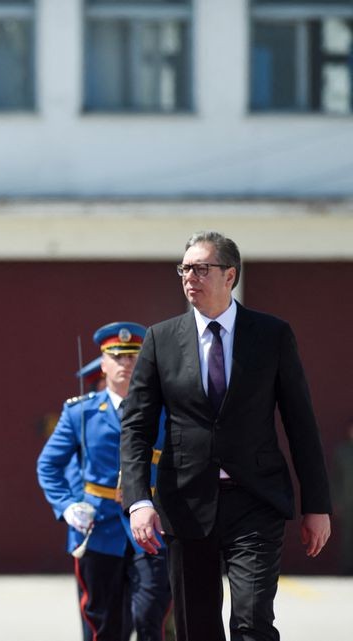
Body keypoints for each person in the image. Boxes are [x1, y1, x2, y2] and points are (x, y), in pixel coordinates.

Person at [121, 231, 332, 641]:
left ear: (230, 275)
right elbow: (137, 427)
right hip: (185, 502)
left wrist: (317, 505)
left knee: (252, 621)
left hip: (256, 499)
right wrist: (138, 501)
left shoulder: (271, 335)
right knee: (196, 627)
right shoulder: (160, 339)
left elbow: (301, 423)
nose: (189, 277)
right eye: (184, 269)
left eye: (201, 269)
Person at [38, 322, 172, 641]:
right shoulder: (80, 412)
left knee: (150, 614)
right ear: (103, 364)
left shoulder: (163, 410)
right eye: (117, 357)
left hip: (151, 526)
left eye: (132, 357)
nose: (125, 364)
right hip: (98, 528)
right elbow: (49, 464)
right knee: (105, 622)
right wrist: (68, 506)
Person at [332, 418, 353, 575]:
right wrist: (336, 501)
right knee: (347, 537)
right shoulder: (342, 452)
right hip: (347, 502)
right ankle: (347, 567)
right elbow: (335, 479)